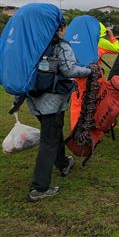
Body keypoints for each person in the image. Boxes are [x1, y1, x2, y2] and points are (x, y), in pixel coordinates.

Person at [26, 19, 92, 201]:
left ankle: (63, 163)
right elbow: (70, 70)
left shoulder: (32, 44)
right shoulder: (60, 46)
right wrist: (90, 71)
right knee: (49, 140)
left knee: (53, 133)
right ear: (60, 28)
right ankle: (39, 188)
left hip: (34, 99)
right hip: (52, 101)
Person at [69, 22, 119, 131]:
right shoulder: (100, 41)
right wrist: (111, 36)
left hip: (76, 75)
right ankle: (96, 124)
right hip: (95, 77)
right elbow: (117, 49)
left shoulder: (75, 39)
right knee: (97, 101)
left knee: (77, 102)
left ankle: (75, 129)